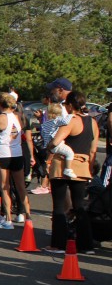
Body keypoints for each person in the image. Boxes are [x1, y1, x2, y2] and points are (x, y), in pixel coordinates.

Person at [45, 91, 99, 254]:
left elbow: (55, 142)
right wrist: (90, 167)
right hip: (82, 165)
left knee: (59, 205)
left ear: (69, 105)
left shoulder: (70, 121)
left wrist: (49, 147)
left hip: (63, 166)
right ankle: (86, 244)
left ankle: (58, 244)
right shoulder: (92, 122)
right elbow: (93, 149)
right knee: (79, 205)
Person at [0, 93, 30, 229]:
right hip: (17, 153)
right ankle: (28, 217)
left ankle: (8, 219)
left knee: (5, 187)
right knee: (21, 186)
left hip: (3, 153)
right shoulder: (19, 117)